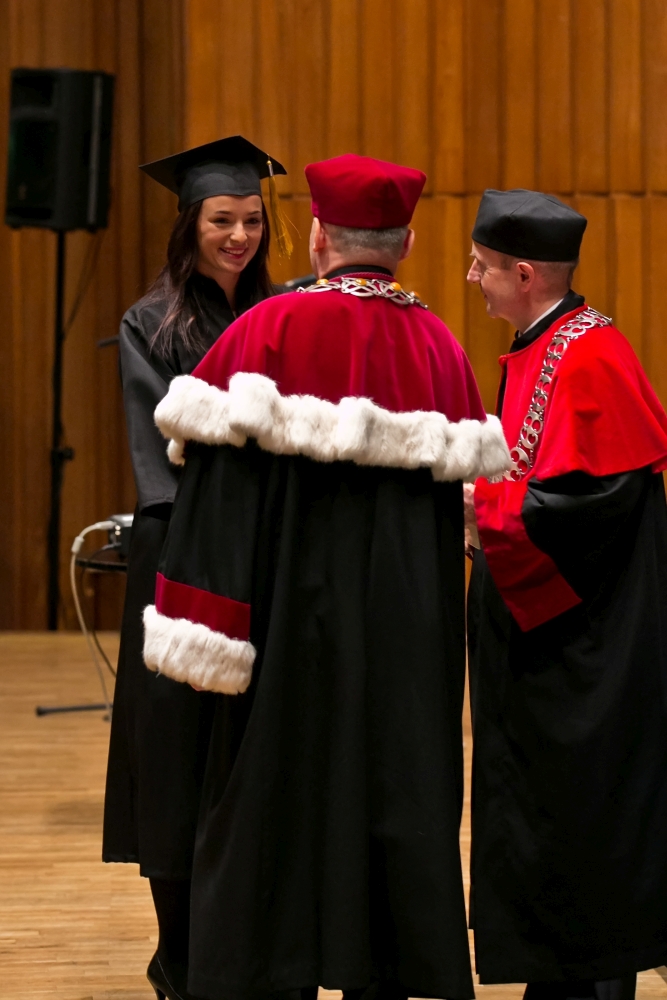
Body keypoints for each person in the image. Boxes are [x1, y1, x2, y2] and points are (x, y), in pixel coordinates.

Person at [141, 153, 510, 1000]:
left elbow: (213, 507)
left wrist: (206, 634)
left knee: (273, 803)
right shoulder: (441, 351)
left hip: (284, 644)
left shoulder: (262, 333)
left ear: (315, 236)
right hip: (400, 659)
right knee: (394, 804)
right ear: (405, 243)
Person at [465, 188, 667, 1000]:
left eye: (481, 266)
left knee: (584, 814)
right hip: (549, 641)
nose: (471, 278)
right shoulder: (542, 342)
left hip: (587, 650)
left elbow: (589, 508)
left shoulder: (589, 356)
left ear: (523, 274)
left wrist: (478, 505)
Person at [102, 135, 291, 1000]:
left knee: (250, 758)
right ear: (189, 224)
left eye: (252, 220)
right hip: (181, 561)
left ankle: (246, 948)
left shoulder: (282, 313)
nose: (239, 236)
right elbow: (164, 464)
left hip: (265, 558)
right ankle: (177, 958)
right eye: (222, 220)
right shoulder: (151, 324)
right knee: (177, 758)